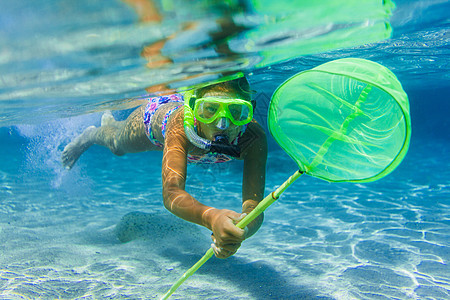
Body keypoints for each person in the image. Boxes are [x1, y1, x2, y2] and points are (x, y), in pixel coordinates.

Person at [61, 76, 267, 259]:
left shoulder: (253, 139)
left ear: (250, 109)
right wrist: (212, 217)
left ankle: (111, 123)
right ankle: (90, 135)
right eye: (210, 109)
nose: (222, 124)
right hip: (156, 120)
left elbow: (255, 207)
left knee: (117, 139)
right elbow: (171, 193)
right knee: (116, 145)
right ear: (195, 109)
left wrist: (241, 230)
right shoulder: (180, 125)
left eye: (236, 111)